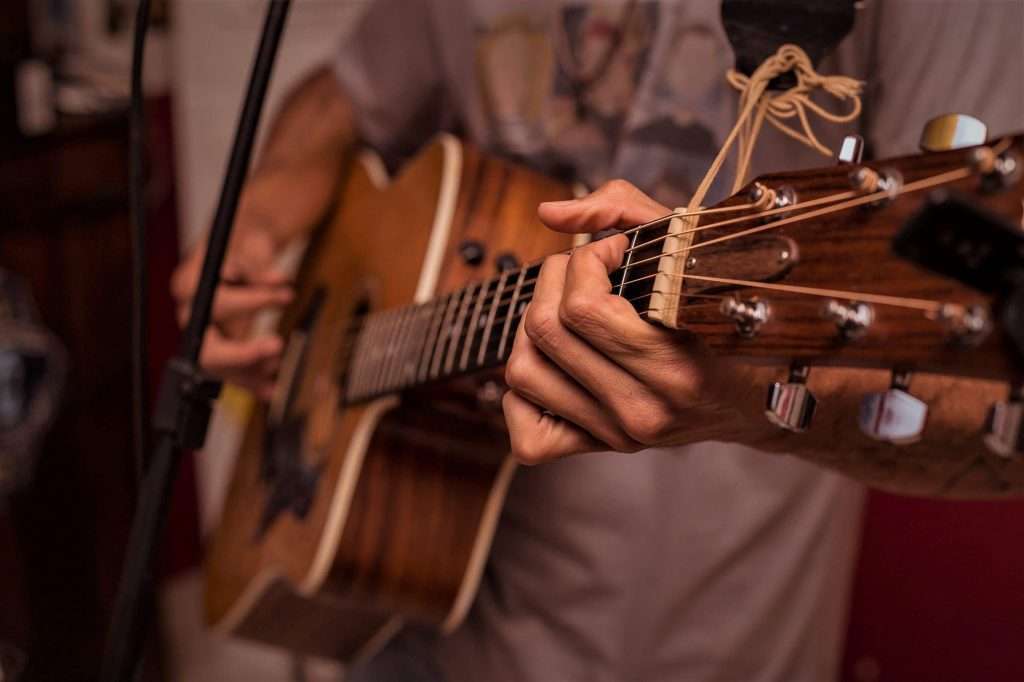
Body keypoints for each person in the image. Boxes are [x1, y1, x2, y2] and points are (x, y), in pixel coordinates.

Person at [171, 1, 1024, 680]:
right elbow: (341, 97)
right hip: (403, 599)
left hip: (682, 640)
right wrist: (254, 222)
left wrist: (749, 400)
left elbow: (995, 408)